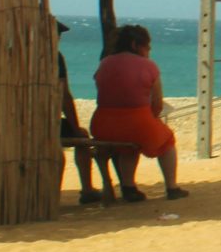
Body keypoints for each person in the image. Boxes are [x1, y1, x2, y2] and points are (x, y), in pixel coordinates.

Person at [90, 24, 187, 201]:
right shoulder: (148, 66)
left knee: (128, 147)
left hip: (102, 123)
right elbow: (157, 103)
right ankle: (172, 187)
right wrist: (152, 117)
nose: (149, 51)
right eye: (147, 47)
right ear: (136, 44)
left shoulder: (105, 63)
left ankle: (128, 187)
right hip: (136, 121)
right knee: (167, 140)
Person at [54, 21, 104, 205]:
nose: (59, 39)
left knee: (80, 136)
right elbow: (64, 96)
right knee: (82, 139)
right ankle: (87, 189)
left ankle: (88, 190)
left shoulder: (15, 54)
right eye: (57, 35)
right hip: (46, 123)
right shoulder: (55, 57)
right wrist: (74, 127)